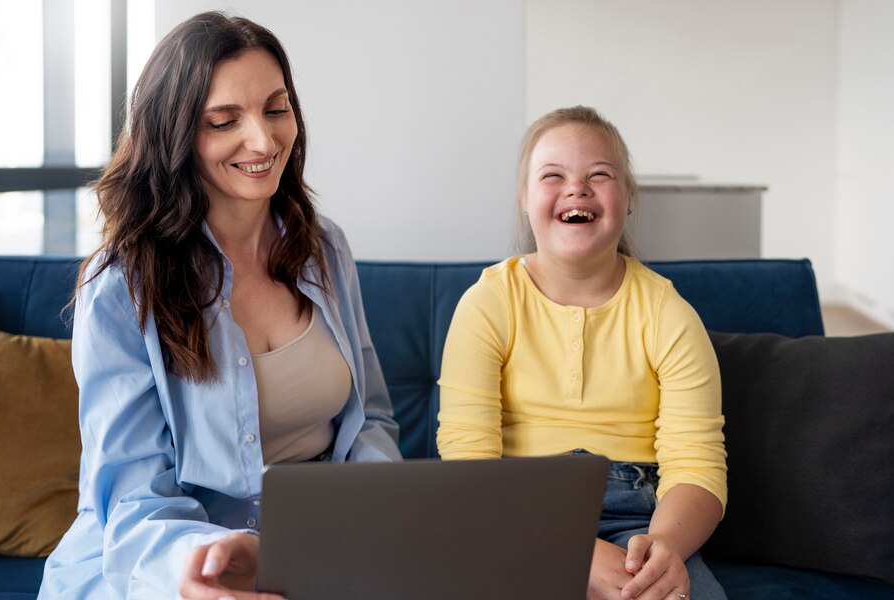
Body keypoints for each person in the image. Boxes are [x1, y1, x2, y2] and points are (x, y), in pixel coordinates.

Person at [38, 12, 400, 600]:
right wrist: (200, 564)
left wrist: (372, 522)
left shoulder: (325, 247)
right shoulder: (120, 286)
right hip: (167, 568)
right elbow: (131, 499)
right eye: (224, 120)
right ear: (176, 135)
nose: (263, 140)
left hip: (315, 552)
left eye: (276, 109)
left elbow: (370, 423)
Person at [437, 106, 728, 600]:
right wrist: (569, 549)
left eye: (600, 175)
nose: (577, 188)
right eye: (554, 176)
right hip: (512, 509)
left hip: (642, 517)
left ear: (628, 198)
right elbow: (468, 462)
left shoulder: (668, 314)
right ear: (526, 199)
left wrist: (660, 551)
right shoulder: (487, 302)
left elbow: (696, 464)